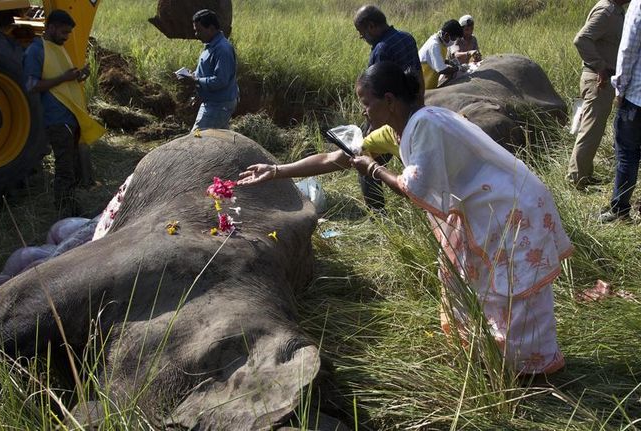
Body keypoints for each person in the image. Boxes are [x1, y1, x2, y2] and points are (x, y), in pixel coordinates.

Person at [238, 62, 573, 376]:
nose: (363, 112)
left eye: (366, 103)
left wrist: (374, 169)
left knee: (513, 289)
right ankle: (490, 355)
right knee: (465, 277)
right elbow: (338, 157)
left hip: (510, 208)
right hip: (484, 210)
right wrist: (277, 170)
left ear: (389, 100)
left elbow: (411, 186)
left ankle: (534, 371)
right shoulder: (396, 129)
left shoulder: (426, 124)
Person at [23, 9, 105, 217]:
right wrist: (64, 78)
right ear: (51, 28)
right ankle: (64, 211)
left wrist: (78, 77)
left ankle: (72, 207)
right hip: (56, 120)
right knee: (64, 169)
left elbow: (62, 81)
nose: (66, 37)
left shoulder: (58, 48)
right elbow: (32, 85)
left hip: (71, 117)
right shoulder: (36, 51)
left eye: (68, 33)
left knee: (74, 167)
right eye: (64, 32)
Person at [353, 4, 423, 210]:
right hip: (412, 107)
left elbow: (377, 92)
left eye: (362, 34)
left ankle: (377, 212)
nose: (363, 39)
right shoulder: (407, 38)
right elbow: (417, 74)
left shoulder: (381, 49)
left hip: (392, 116)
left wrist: (372, 125)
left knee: (364, 159)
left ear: (371, 26)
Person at [568, 0, 628, 190]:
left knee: (593, 130)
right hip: (598, 80)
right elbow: (581, 39)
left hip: (601, 79)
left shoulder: (615, 11)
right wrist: (600, 67)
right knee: (590, 131)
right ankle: (577, 179)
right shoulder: (607, 12)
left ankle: (583, 174)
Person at [600, 0, 641, 222]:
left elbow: (628, 49)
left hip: (636, 97)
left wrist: (620, 89)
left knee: (627, 154)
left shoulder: (638, 4)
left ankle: (620, 211)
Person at [180, 9, 238, 131]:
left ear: (211, 28)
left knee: (197, 139)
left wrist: (196, 80)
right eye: (195, 30)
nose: (196, 34)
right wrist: (192, 75)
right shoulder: (211, 45)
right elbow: (207, 72)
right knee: (218, 142)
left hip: (218, 105)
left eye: (199, 30)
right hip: (213, 103)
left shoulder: (222, 49)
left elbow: (221, 80)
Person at [418, 19, 463, 90]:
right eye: (454, 38)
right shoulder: (434, 45)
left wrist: (448, 61)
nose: (454, 41)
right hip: (423, 86)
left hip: (430, 84)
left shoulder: (441, 42)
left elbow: (433, 60)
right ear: (446, 35)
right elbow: (442, 70)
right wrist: (458, 68)